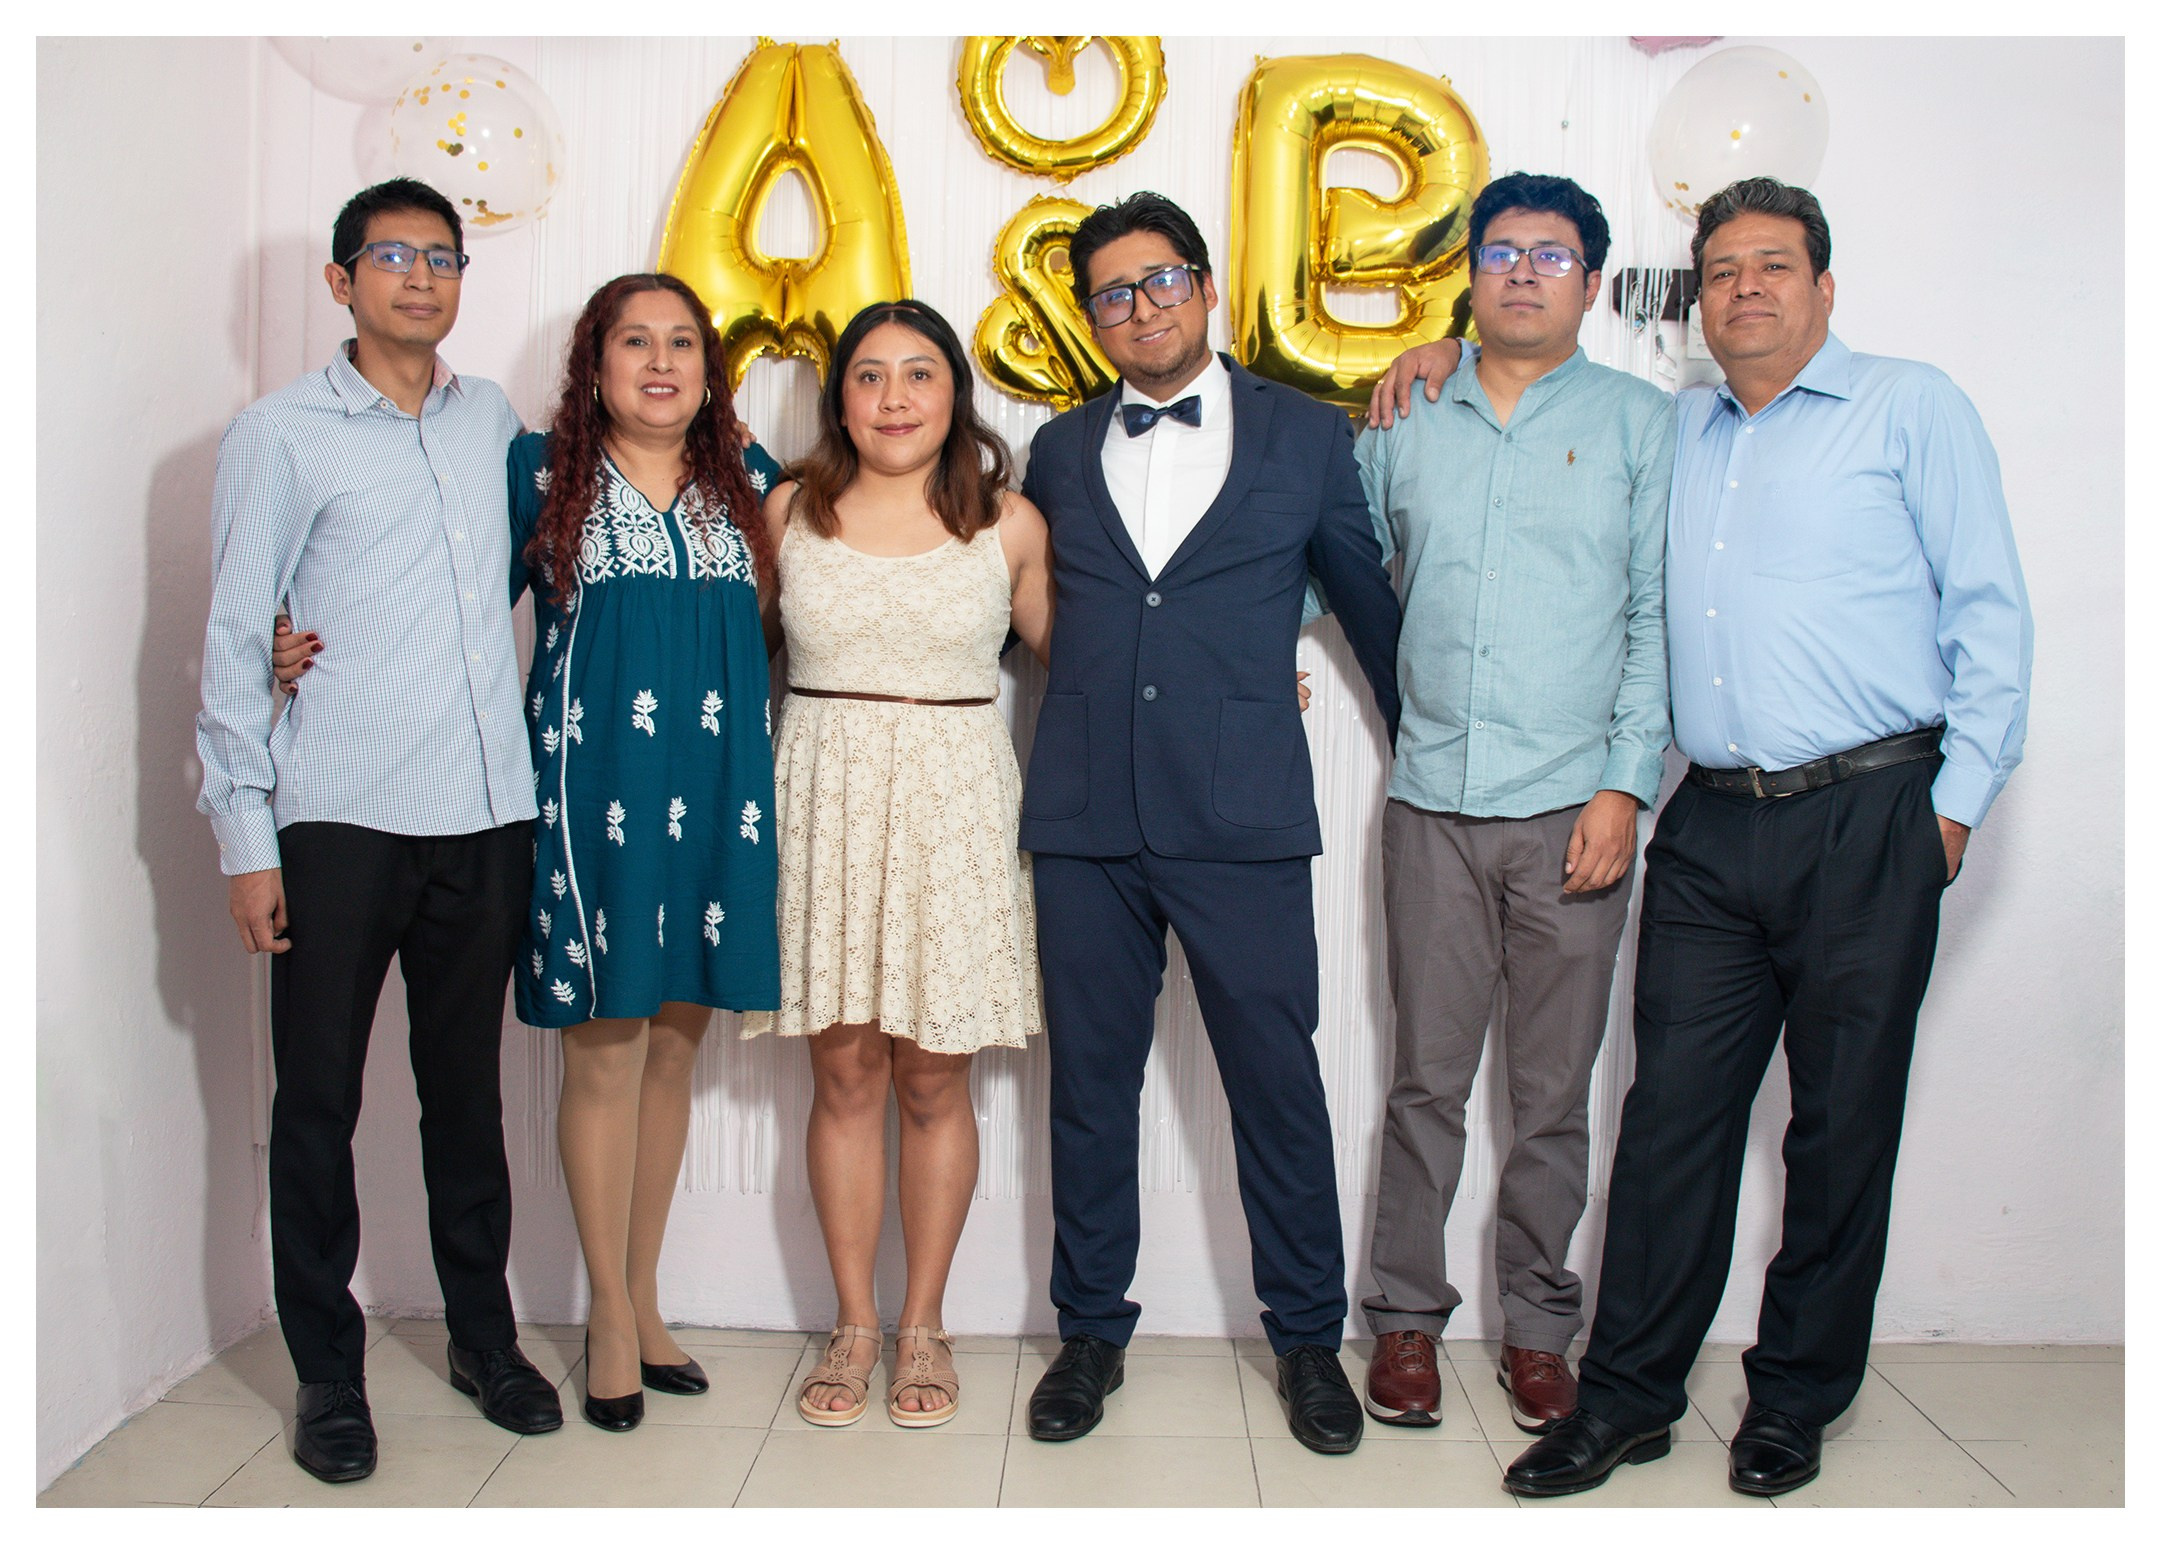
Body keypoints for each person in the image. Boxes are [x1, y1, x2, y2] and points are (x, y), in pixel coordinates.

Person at [1385, 176, 2032, 1498]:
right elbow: (1519, 409)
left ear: (1824, 286)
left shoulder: (1912, 408)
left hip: (1874, 808)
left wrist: (1952, 809)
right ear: (1696, 297)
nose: (1745, 286)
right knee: (1669, 1119)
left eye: (1773, 265)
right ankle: (1627, 1396)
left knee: (1840, 1128)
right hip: (1714, 820)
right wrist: (1441, 352)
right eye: (1722, 268)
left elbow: (1991, 616)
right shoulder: (1675, 427)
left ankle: (1794, 1398)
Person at [275, 272, 785, 1435]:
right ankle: (605, 1312)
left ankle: (647, 1299)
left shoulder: (750, 481)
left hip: (718, 794)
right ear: (593, 363)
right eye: (633, 342)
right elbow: (435, 597)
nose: (661, 362)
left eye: (683, 344)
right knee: (605, 1048)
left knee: (673, 1049)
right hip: (587, 789)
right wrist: (286, 637)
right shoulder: (534, 473)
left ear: (710, 369)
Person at [1017, 192, 1402, 1456]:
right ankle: (1089, 1330)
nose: (1144, 305)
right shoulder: (1058, 450)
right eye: (1116, 291)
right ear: (1094, 315)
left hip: (1241, 818)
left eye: (1163, 278)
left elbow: (1368, 612)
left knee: (1279, 1089)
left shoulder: (1307, 435)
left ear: (1207, 284)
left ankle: (1306, 1340)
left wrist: (1431, 759)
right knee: (1088, 1091)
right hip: (1084, 818)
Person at [196, 178, 562, 1483]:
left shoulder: (493, 427)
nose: (420, 276)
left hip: (486, 816)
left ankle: (483, 1338)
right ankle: (328, 1372)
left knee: (466, 1099)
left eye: (442, 256)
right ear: (343, 280)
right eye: (392, 256)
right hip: (338, 821)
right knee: (320, 1102)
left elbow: (521, 572)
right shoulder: (281, 434)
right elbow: (241, 635)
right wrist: (247, 833)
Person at [1350, 173, 1675, 1437]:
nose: (1523, 272)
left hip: (1573, 813)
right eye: (1500, 252)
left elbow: (1652, 622)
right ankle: (1406, 1322)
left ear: (1590, 281)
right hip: (1431, 798)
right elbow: (1336, 567)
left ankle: (1541, 1326)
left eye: (1551, 255)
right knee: (1425, 1081)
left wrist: (1622, 786)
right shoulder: (1407, 415)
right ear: (1470, 275)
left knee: (1552, 1091)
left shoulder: (1645, 425)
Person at [742, 300, 1053, 1430]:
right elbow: (727, 656)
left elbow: (1107, 657)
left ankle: (923, 1320)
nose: (894, 398)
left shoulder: (1008, 522)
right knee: (843, 1074)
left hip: (955, 808)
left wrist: (1247, 675)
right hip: (821, 798)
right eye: (869, 377)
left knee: (932, 1077)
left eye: (919, 375)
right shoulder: (789, 509)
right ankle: (854, 1322)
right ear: (840, 401)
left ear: (953, 393)